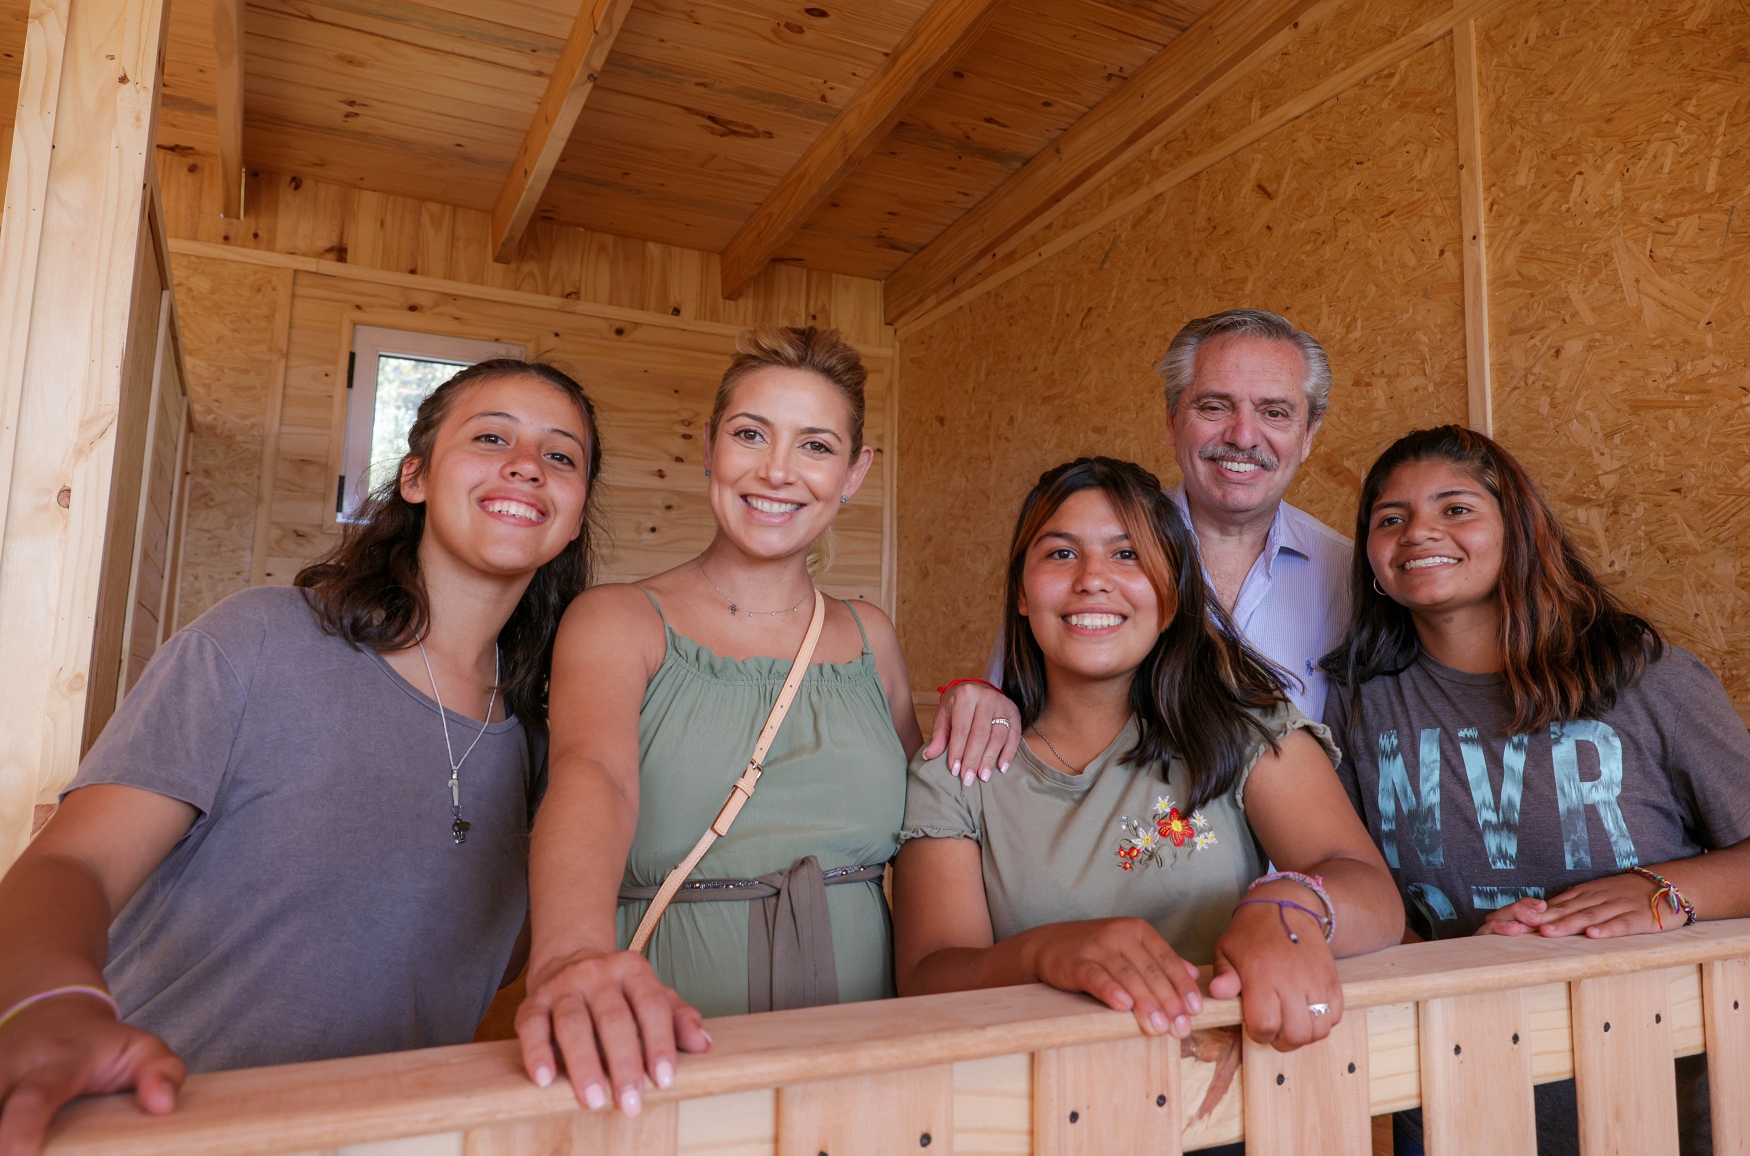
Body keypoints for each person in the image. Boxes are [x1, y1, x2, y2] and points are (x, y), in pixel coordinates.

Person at [0, 358, 602, 1153]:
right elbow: (72, 865)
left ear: (575, 510)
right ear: (414, 477)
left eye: (562, 455)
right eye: (492, 436)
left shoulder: (548, 746)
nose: (527, 462)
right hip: (142, 1125)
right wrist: (48, 1001)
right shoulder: (259, 639)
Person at [1321, 425, 1750, 1153]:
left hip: (1653, 1085)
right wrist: (1442, 957)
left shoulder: (1644, 674)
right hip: (1458, 1082)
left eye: (1455, 508)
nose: (1418, 531)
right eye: (1389, 518)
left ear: (1518, 531)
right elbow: (1356, 884)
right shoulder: (1357, 701)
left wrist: (1659, 888)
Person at [517, 325, 922, 1117]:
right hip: (667, 1037)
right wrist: (568, 954)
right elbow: (590, 773)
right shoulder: (619, 619)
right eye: (750, 434)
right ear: (708, 446)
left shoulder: (873, 636)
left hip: (868, 1042)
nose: (777, 470)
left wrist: (990, 703)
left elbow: (940, 821)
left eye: (815, 445)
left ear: (855, 472)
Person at [894, 457, 1401, 1056]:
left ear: (1169, 597)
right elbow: (928, 975)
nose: (1092, 578)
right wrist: (1045, 953)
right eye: (1060, 554)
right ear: (1023, 595)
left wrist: (1289, 906)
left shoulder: (1245, 732)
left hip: (1234, 1101)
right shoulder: (957, 767)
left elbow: (1373, 895)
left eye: (1127, 554)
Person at [928, 309, 1352, 784]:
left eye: (1274, 412)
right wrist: (980, 699)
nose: (1243, 436)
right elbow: (1009, 702)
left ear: (1309, 434)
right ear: (1171, 422)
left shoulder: (1351, 574)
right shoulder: (1087, 564)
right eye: (1214, 407)